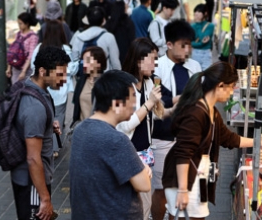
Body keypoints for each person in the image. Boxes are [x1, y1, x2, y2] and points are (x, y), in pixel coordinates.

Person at [163, 62, 262, 219]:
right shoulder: (196, 113)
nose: (231, 92)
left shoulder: (212, 111)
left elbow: (228, 138)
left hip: (199, 172)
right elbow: (183, 153)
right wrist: (183, 190)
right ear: (221, 85)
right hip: (184, 177)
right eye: (231, 87)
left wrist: (258, 142)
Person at [69, 71, 153, 220]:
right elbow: (144, 185)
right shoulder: (117, 140)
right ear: (117, 104)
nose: (135, 105)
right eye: (133, 97)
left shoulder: (80, 130)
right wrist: (144, 168)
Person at [11, 46, 70, 220]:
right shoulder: (34, 106)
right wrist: (45, 198)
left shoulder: (34, 89)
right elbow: (33, 158)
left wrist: (48, 124)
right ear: (43, 71)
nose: (64, 79)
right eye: (59, 74)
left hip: (33, 180)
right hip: (33, 183)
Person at [151, 20, 202, 220]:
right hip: (162, 137)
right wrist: (174, 100)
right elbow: (154, 99)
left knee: (183, 188)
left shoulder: (194, 66)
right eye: (183, 45)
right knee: (162, 189)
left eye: (189, 44)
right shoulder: (158, 67)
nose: (187, 49)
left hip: (188, 138)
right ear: (169, 44)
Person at [118, 38, 163, 220]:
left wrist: (157, 103)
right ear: (138, 60)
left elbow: (157, 113)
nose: (155, 64)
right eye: (152, 59)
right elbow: (125, 125)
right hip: (128, 152)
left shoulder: (148, 82)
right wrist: (149, 103)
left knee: (144, 205)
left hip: (145, 152)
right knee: (132, 205)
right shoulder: (123, 87)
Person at [30, 20, 80, 158]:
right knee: (58, 117)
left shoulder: (39, 47)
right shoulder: (66, 48)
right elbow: (73, 69)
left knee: (45, 116)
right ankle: (54, 147)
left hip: (44, 91)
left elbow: (33, 65)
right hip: (60, 91)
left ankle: (45, 145)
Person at [71, 46, 108, 125]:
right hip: (81, 128)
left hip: (97, 129)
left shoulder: (106, 84)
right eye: (83, 61)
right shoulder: (82, 80)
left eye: (87, 61)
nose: (84, 64)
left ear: (98, 63)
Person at [7, 12, 40, 84]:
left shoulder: (33, 37)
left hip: (26, 69)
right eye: (18, 23)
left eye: (20, 23)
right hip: (16, 68)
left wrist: (23, 71)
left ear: (27, 24)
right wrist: (9, 67)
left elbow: (31, 55)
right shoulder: (18, 34)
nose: (19, 25)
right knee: (15, 90)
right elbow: (13, 51)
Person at [106, 0, 136, 64]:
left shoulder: (110, 23)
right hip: (125, 56)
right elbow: (132, 40)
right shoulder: (128, 22)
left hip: (111, 56)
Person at [191, 4, 215, 70]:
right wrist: (201, 44)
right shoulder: (192, 26)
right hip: (195, 52)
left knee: (206, 74)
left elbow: (202, 38)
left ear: (205, 13)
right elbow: (191, 42)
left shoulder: (210, 26)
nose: (196, 14)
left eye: (199, 12)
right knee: (195, 74)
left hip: (206, 53)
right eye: (195, 12)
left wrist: (198, 23)